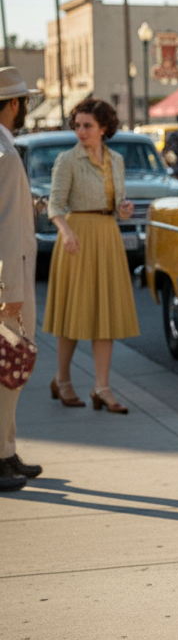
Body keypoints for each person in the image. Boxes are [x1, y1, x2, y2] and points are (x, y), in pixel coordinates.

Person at [43, 98, 140, 413]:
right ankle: (62, 379)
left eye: (88, 126)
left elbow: (118, 205)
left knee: (104, 316)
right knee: (74, 315)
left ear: (103, 128)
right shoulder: (67, 160)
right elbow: (54, 206)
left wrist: (124, 209)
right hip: (77, 239)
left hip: (107, 236)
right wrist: (66, 232)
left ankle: (102, 388)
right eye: (78, 125)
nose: (81, 131)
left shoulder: (116, 160)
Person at [0, 67, 43, 491]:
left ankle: (7, 449)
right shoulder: (6, 155)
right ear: (14, 104)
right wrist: (11, 291)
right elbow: (8, 229)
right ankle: (1, 456)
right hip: (7, 281)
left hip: (7, 275)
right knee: (7, 370)